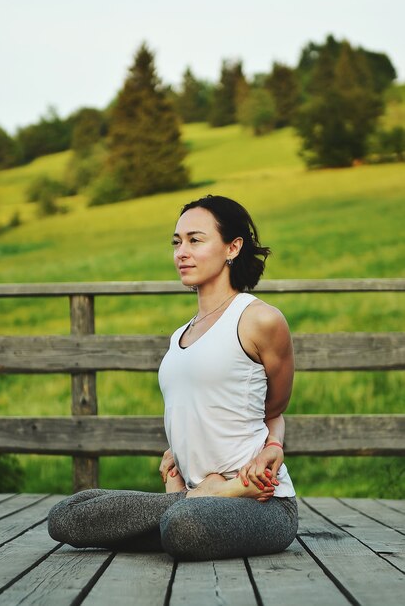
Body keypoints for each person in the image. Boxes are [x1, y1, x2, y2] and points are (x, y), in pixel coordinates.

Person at [48, 195, 298, 561]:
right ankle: (200, 496)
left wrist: (273, 448)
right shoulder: (180, 335)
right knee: (67, 516)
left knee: (184, 528)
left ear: (233, 247)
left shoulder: (259, 319)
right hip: (192, 495)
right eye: (177, 242)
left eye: (195, 240)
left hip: (263, 502)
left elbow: (274, 408)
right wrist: (178, 461)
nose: (182, 251)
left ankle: (220, 492)